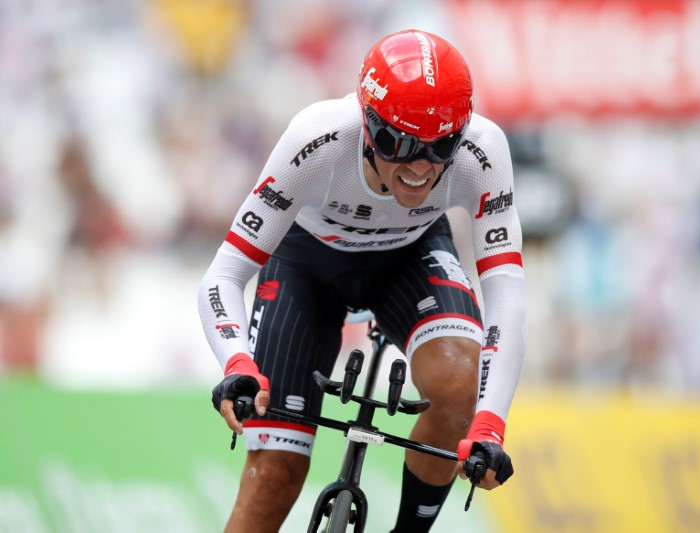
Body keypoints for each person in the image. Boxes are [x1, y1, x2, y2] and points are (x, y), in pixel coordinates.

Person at [198, 29, 527, 532]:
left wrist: (489, 423)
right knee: (274, 476)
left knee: (460, 381)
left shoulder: (483, 150)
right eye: (400, 144)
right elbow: (225, 273)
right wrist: (236, 361)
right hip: (307, 266)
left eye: (441, 149)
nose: (420, 168)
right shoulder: (318, 138)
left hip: (411, 254)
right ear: (369, 128)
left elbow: (506, 293)